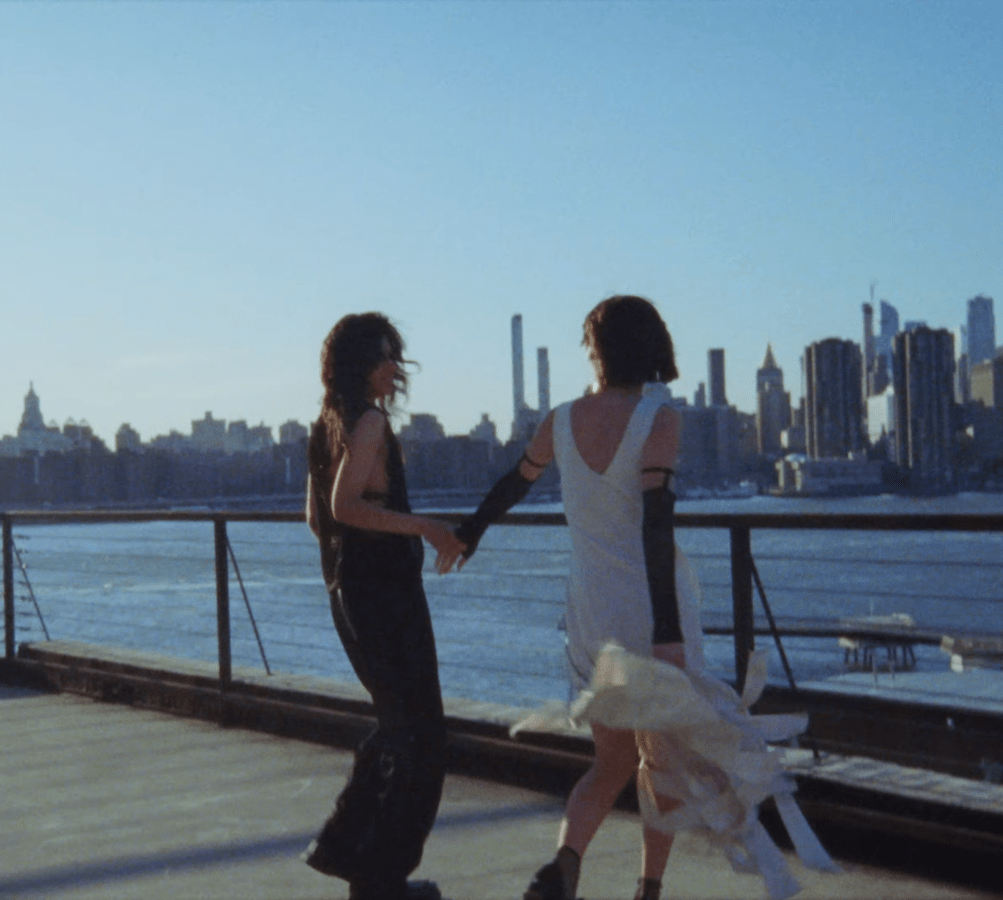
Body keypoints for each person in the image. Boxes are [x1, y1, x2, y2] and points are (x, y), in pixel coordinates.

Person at [456, 296, 836, 900]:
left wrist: (468, 532)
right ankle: (648, 890)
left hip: (590, 614)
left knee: (608, 761)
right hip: (653, 613)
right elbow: (655, 524)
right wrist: (668, 634)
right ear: (652, 344)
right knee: (661, 763)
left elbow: (514, 484)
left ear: (597, 352)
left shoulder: (559, 420)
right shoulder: (659, 415)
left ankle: (562, 865)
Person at [303, 312, 465, 900]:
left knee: (399, 726)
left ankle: (350, 849)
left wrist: (351, 565)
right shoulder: (368, 421)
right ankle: (379, 876)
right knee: (424, 736)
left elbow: (316, 518)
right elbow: (346, 505)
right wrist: (422, 526)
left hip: (349, 589)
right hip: (386, 591)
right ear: (365, 364)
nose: (396, 368)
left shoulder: (327, 424)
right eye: (387, 357)